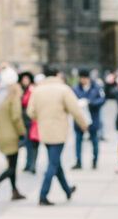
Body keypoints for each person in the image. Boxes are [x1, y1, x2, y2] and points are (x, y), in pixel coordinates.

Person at [27, 67, 89, 205]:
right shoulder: (63, 89)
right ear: (57, 75)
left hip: (44, 131)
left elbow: (31, 112)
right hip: (58, 132)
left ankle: (67, 190)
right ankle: (43, 195)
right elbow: (75, 109)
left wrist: (41, 116)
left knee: (56, 162)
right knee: (53, 163)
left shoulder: (37, 90)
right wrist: (83, 124)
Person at [0, 65, 27, 202]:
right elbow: (16, 117)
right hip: (12, 135)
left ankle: (15, 191)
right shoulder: (12, 96)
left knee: (11, 164)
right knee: (12, 166)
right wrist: (22, 133)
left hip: (1, 135)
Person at [71, 69, 106, 170]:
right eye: (81, 78)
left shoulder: (97, 88)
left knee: (94, 140)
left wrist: (92, 103)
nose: (83, 80)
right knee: (78, 141)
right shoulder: (75, 89)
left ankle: (95, 161)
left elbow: (102, 99)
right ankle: (78, 161)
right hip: (79, 119)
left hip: (93, 118)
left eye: (85, 78)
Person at [19, 71, 39, 173]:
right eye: (23, 79)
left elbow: (27, 102)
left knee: (33, 144)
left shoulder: (33, 90)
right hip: (23, 120)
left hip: (32, 121)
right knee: (27, 144)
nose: (25, 81)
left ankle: (32, 164)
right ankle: (28, 164)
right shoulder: (20, 90)